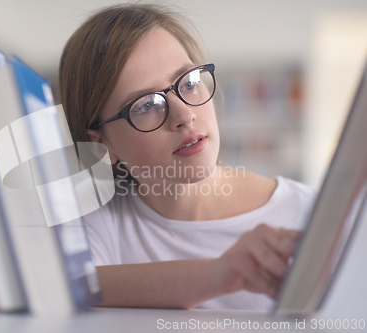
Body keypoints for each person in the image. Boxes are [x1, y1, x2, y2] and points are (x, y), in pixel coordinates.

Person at [58, 3, 318, 310]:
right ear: (102, 145)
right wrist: (217, 274)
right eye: (145, 105)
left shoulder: (310, 216)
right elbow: (72, 287)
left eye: (189, 83)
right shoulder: (98, 222)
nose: (184, 115)